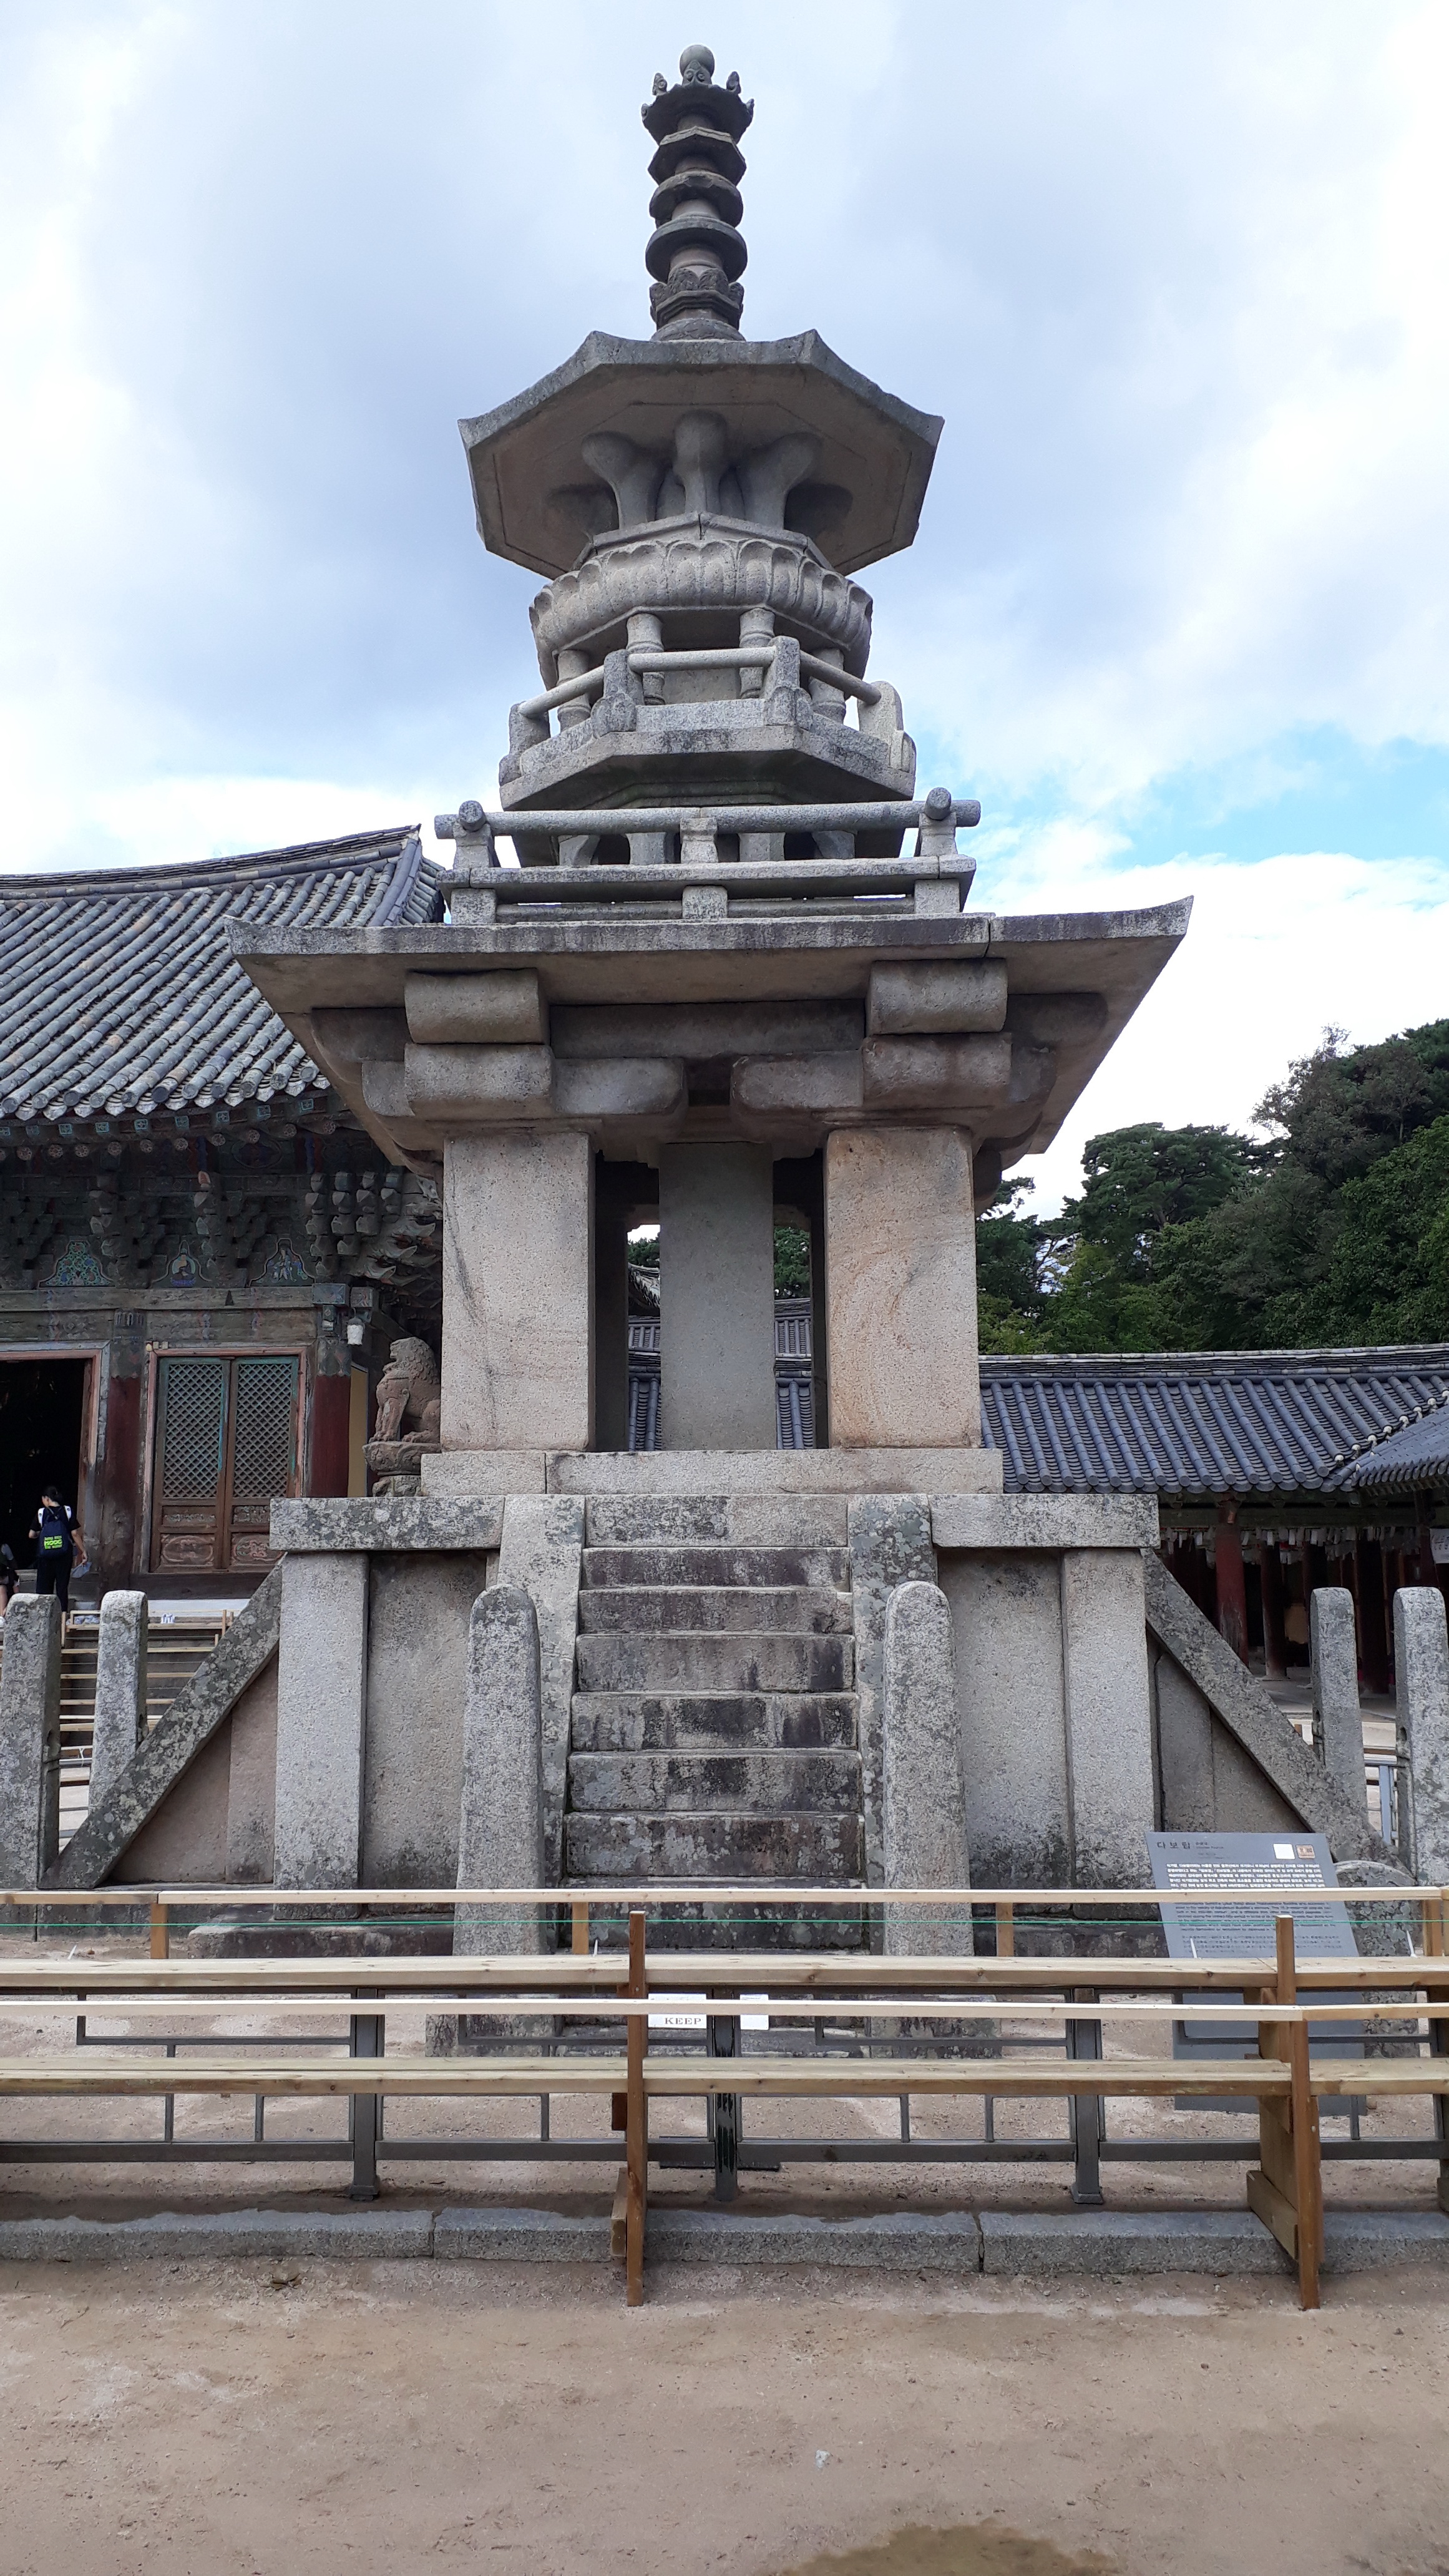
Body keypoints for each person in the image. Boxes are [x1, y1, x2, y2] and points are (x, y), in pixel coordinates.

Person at [28, 1486, 85, 1616]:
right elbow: (75, 1534)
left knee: (43, 1588)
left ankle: (43, 1616)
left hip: (45, 1556)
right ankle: (63, 1617)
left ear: (46, 1499)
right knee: (62, 1588)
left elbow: (31, 1535)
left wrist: (42, 1534)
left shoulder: (41, 1513)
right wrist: (83, 1551)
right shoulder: (67, 1511)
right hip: (64, 1556)